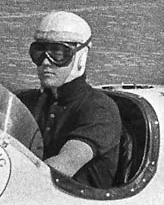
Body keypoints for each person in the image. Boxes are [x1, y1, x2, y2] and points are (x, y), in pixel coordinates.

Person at [26, 11, 121, 188]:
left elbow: (65, 164)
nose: (46, 62)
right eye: (39, 52)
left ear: (80, 57)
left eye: (58, 53)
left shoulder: (99, 110)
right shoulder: (27, 101)